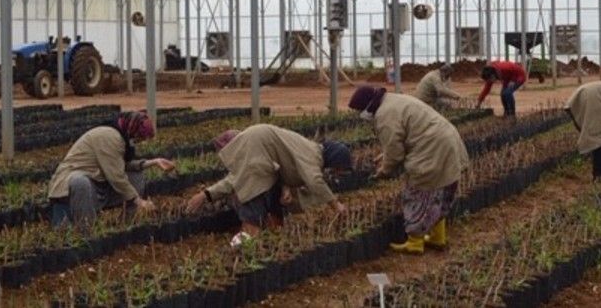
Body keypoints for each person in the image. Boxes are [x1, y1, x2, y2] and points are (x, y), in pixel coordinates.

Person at [348, 85, 470, 255]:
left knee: (417, 193)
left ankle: (415, 242)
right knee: (439, 192)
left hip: (431, 148)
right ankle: (437, 237)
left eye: (359, 110)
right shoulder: (393, 100)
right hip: (446, 140)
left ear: (367, 106)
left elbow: (395, 153)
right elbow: (404, 134)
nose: (360, 114)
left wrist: (384, 171)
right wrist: (385, 155)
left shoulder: (384, 115)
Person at [185, 124, 350, 237]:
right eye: (338, 168)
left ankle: (267, 240)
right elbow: (315, 181)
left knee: (270, 207)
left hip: (266, 170)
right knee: (252, 205)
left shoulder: (309, 151)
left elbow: (281, 164)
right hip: (260, 170)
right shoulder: (313, 155)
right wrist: (336, 205)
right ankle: (244, 250)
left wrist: (285, 188)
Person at [48, 110, 174, 231]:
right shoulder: (110, 136)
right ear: (133, 129)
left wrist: (153, 162)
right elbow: (116, 176)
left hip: (96, 183)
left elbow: (120, 165)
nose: (139, 142)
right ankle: (86, 231)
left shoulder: (120, 137)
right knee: (80, 182)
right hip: (71, 192)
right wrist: (139, 201)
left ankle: (126, 224)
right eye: (139, 138)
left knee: (136, 177)